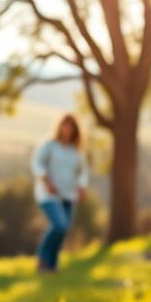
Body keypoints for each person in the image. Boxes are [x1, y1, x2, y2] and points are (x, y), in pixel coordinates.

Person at [31, 114, 89, 272]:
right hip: (48, 194)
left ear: (75, 129)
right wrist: (46, 180)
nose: (68, 129)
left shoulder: (76, 150)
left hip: (69, 195)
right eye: (65, 125)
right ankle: (42, 258)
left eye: (71, 126)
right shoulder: (49, 145)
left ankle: (52, 264)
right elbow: (37, 163)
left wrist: (82, 187)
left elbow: (83, 171)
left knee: (63, 230)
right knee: (60, 224)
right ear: (60, 126)